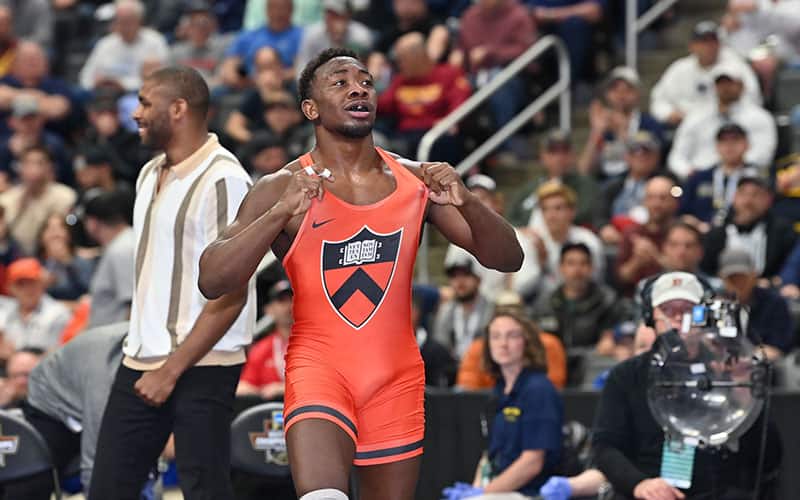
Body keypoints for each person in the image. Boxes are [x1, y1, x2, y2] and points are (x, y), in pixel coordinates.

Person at [198, 48, 523, 500]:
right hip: (319, 369)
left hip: (396, 377)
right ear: (310, 109)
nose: (358, 88)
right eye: (340, 81)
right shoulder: (281, 186)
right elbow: (212, 278)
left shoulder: (417, 181)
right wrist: (279, 214)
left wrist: (467, 201)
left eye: (366, 81)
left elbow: (508, 259)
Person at [88, 66, 256, 500]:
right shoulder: (148, 173)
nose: (135, 114)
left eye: (145, 103)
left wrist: (171, 370)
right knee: (108, 488)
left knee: (206, 489)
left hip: (204, 362)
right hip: (143, 357)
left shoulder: (226, 179)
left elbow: (233, 292)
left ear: (178, 109)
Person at [592, 271, 782, 499]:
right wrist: (639, 484)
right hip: (649, 491)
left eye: (688, 310)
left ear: (705, 316)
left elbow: (769, 458)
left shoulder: (727, 369)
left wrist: (744, 395)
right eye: (668, 311)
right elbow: (605, 447)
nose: (678, 319)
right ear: (650, 317)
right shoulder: (626, 375)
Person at [443, 310, 562, 499]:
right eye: (496, 336)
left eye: (512, 336)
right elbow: (488, 456)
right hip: (500, 490)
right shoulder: (499, 390)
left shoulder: (538, 389)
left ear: (527, 342)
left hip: (532, 493)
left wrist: (483, 493)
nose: (503, 344)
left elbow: (532, 462)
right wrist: (475, 488)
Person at [0, 324, 126, 499]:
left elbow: (97, 456)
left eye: (26, 374)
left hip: (73, 436)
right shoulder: (9, 414)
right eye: (15, 375)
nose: (21, 381)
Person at [377, 31, 471, 165]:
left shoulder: (449, 74)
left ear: (418, 57)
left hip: (433, 134)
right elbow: (382, 105)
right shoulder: (401, 80)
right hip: (403, 134)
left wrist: (450, 121)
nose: (398, 66)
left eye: (401, 60)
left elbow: (460, 103)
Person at [667, 64, 776, 179]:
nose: (725, 88)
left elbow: (763, 155)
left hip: (744, 178)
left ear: (741, 85)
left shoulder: (760, 117)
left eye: (729, 83)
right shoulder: (696, 117)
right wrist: (689, 172)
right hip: (699, 177)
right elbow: (677, 156)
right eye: (720, 83)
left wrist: (730, 169)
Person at [649, 20, 761, 127]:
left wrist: (731, 113)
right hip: (684, 124)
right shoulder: (679, 68)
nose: (709, 46)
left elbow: (753, 99)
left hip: (726, 125)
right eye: (703, 41)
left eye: (713, 41)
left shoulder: (736, 66)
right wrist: (668, 114)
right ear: (692, 46)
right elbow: (658, 99)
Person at [531, 243, 629, 356]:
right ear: (561, 268)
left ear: (591, 268)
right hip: (554, 362)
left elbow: (622, 329)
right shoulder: (545, 303)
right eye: (571, 264)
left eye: (583, 264)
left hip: (594, 360)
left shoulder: (607, 301)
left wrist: (612, 338)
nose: (577, 270)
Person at [700, 175, 796, 280]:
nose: (748, 201)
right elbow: (707, 269)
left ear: (768, 200)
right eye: (743, 194)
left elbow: (790, 267)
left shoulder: (783, 233)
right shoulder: (717, 233)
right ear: (734, 198)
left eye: (756, 195)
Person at [579, 67, 664, 178]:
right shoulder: (604, 127)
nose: (621, 95)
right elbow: (584, 169)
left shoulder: (650, 124)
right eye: (614, 89)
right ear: (607, 94)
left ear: (638, 94)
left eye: (627, 89)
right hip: (607, 185)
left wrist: (622, 131)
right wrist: (596, 132)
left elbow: (653, 163)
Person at [679, 123, 759, 230]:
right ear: (716, 146)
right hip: (702, 235)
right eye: (724, 141)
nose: (729, 145)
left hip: (745, 234)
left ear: (747, 145)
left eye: (735, 140)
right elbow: (682, 213)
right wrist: (695, 225)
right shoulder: (699, 178)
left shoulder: (756, 177)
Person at [718, 247, 793, 359]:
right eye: (732, 279)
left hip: (765, 366)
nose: (739, 284)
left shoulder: (775, 303)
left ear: (754, 276)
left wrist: (749, 356)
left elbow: (778, 348)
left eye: (743, 278)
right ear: (722, 279)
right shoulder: (716, 304)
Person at [0, 144, 76, 254]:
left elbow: (67, 232)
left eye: (39, 163)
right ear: (19, 167)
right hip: (15, 258)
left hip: (51, 256)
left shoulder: (65, 196)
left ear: (50, 167)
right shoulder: (6, 200)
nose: (34, 169)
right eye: (28, 163)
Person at [78, 0, 169, 91]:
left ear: (139, 21)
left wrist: (124, 85)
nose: (122, 26)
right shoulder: (105, 43)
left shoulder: (155, 41)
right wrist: (94, 84)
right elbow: (86, 76)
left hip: (138, 94)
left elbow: (161, 80)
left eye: (127, 21)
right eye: (119, 21)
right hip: (100, 93)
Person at [595, 131, 663, 245]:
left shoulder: (666, 183)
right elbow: (600, 214)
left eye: (646, 152)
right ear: (626, 157)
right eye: (635, 151)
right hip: (618, 239)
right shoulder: (612, 186)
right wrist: (604, 227)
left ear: (656, 156)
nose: (640, 156)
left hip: (655, 239)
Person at [615, 176, 680, 294]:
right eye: (651, 198)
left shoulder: (680, 234)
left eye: (663, 198)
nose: (656, 204)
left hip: (674, 295)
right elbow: (621, 278)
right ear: (644, 201)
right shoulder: (632, 233)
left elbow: (687, 274)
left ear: (674, 202)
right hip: (636, 299)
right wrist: (638, 261)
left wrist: (655, 256)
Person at [83, 189, 135, 328]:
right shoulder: (124, 243)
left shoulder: (121, 250)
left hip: (116, 342)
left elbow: (132, 306)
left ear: (93, 222)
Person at [0, 258, 71, 356]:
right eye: (20, 284)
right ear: (10, 288)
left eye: (32, 282)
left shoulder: (58, 313)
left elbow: (60, 354)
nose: (27, 289)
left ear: (42, 282)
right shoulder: (4, 312)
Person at [237, 280, 293, 400]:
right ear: (269, 310)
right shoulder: (261, 349)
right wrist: (261, 392)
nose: (289, 305)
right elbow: (242, 386)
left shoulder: (318, 344)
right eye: (281, 300)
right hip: (274, 413)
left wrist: (281, 389)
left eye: (293, 299)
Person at [433, 258, 495, 361]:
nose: (460, 281)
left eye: (466, 275)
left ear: (478, 279)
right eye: (454, 276)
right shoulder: (446, 310)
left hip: (482, 367)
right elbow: (440, 345)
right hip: (452, 369)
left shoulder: (491, 309)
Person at [295, 0, 373, 72]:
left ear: (348, 16)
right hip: (319, 82)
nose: (332, 18)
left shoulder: (361, 36)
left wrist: (339, 39)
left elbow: (365, 68)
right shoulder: (312, 34)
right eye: (329, 14)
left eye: (337, 15)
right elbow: (302, 67)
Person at [37, 213, 95, 302]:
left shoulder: (82, 262)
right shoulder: (36, 264)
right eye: (49, 228)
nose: (55, 233)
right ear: (41, 237)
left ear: (68, 235)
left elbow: (89, 292)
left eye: (60, 228)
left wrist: (67, 262)